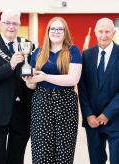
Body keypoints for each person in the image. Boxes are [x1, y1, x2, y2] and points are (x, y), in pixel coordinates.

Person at [24, 17, 82, 164]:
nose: (56, 31)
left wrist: (45, 77)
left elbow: (73, 79)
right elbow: (32, 86)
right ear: (48, 31)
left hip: (66, 103)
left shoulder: (73, 51)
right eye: (53, 28)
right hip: (41, 103)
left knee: (64, 151)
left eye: (60, 29)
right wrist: (28, 81)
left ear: (65, 32)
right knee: (41, 151)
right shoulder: (37, 53)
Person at [0, 11, 33, 164]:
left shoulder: (28, 44)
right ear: (0, 24)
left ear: (19, 25)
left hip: (22, 108)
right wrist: (11, 64)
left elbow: (30, 72)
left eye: (15, 23)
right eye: (7, 23)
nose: (11, 26)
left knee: (17, 155)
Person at [79, 18, 119, 164]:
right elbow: (82, 88)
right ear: (95, 32)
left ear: (113, 32)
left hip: (116, 120)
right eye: (100, 31)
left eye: (107, 32)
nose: (104, 35)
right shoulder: (87, 55)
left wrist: (107, 114)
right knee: (96, 161)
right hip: (93, 121)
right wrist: (89, 115)